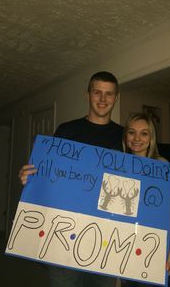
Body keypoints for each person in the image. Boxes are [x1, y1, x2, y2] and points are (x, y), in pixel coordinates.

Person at [18, 71, 123, 287]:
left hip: (105, 238)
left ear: (116, 97)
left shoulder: (124, 137)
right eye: (97, 92)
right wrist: (30, 179)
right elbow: (50, 174)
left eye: (109, 94)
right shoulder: (67, 130)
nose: (103, 99)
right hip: (64, 234)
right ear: (87, 95)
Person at [121, 113, 170, 287]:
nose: (137, 138)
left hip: (155, 247)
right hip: (124, 247)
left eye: (144, 133)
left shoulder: (162, 166)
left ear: (151, 137)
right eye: (132, 132)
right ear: (126, 136)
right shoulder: (116, 164)